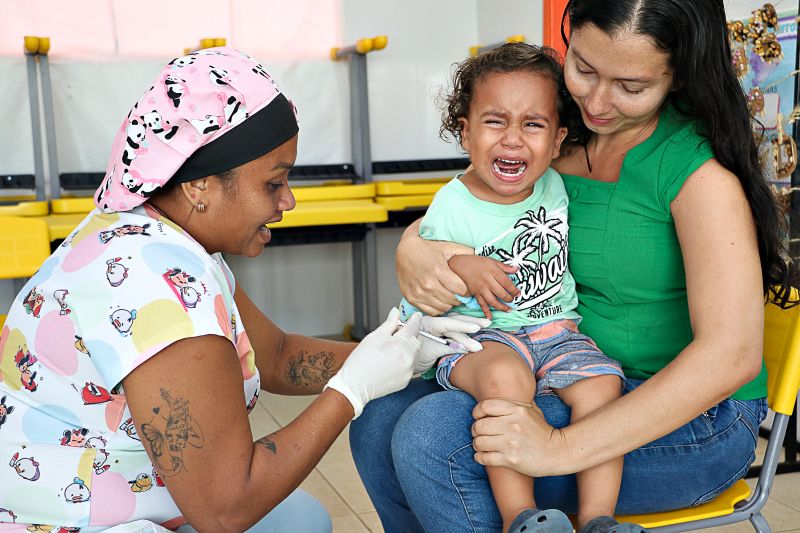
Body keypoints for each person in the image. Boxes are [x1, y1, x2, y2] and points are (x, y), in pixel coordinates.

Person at [350, 1, 799, 532]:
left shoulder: (699, 176)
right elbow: (475, 209)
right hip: (559, 365)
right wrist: (415, 246)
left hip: (693, 418)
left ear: (678, 76)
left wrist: (559, 447)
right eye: (584, 69)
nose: (597, 101)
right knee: (377, 418)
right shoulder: (563, 136)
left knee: (435, 437)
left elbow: (731, 358)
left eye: (630, 86)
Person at [0, 47, 484, 533]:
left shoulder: (164, 237)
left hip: (138, 494)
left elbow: (273, 356)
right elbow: (225, 509)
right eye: (274, 183)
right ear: (199, 186)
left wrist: (402, 350)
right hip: (64, 520)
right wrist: (350, 392)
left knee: (304, 520)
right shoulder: (153, 287)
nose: (288, 200)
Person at [396, 42, 640, 533]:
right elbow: (423, 285)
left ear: (557, 140)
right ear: (465, 132)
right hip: (482, 339)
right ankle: (521, 518)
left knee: (603, 385)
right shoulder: (452, 204)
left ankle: (599, 520)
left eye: (533, 124)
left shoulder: (552, 183)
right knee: (508, 381)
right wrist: (462, 264)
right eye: (494, 121)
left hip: (557, 333)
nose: (512, 139)